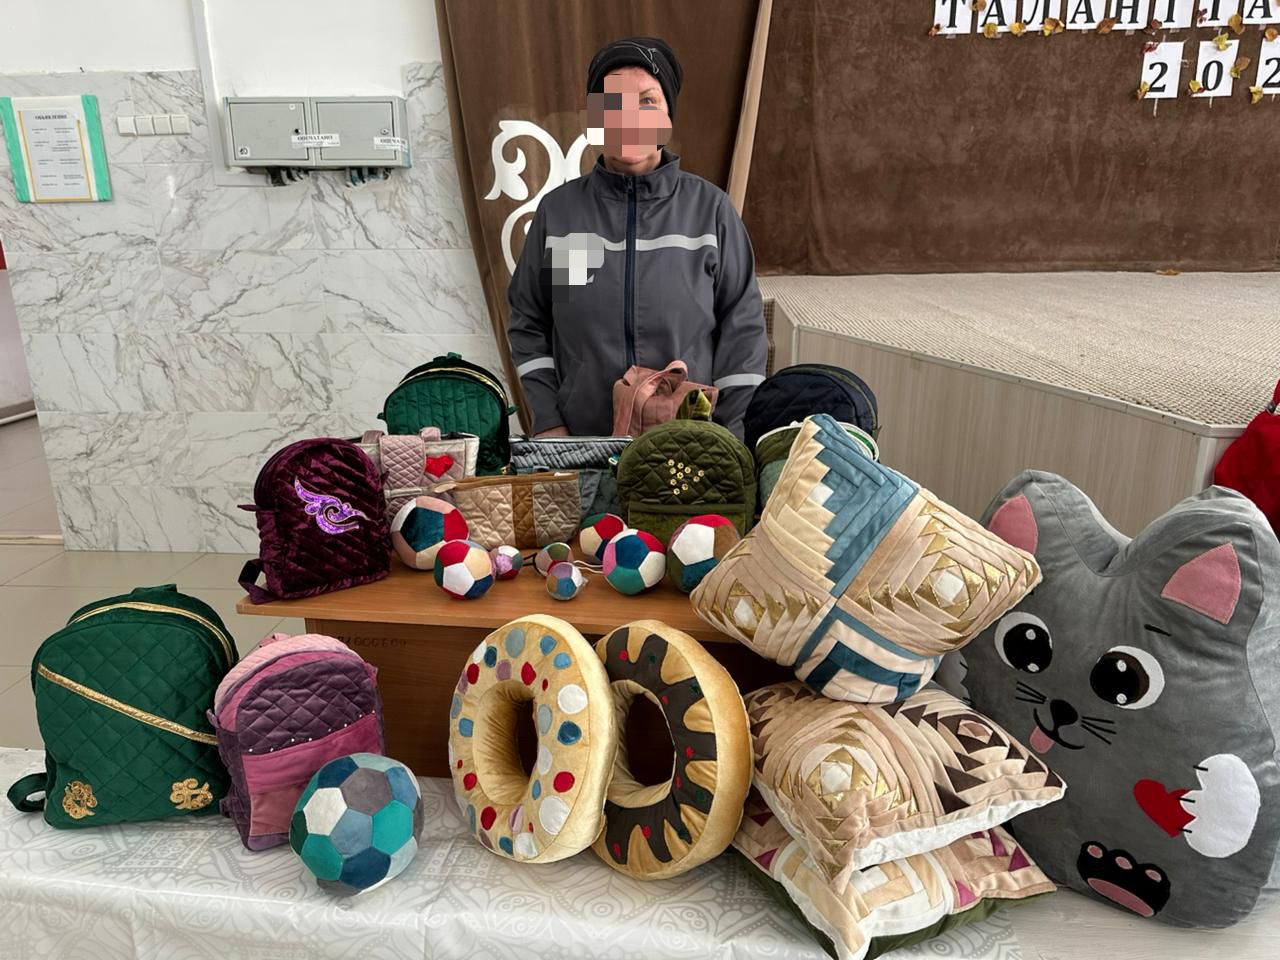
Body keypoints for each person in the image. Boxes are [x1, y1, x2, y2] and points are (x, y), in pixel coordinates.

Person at [507, 36, 768, 440]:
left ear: (668, 115)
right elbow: (530, 322)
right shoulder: (560, 215)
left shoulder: (710, 211)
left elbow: (743, 329)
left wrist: (727, 435)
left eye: (647, 101)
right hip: (582, 441)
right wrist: (548, 420)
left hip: (689, 444)